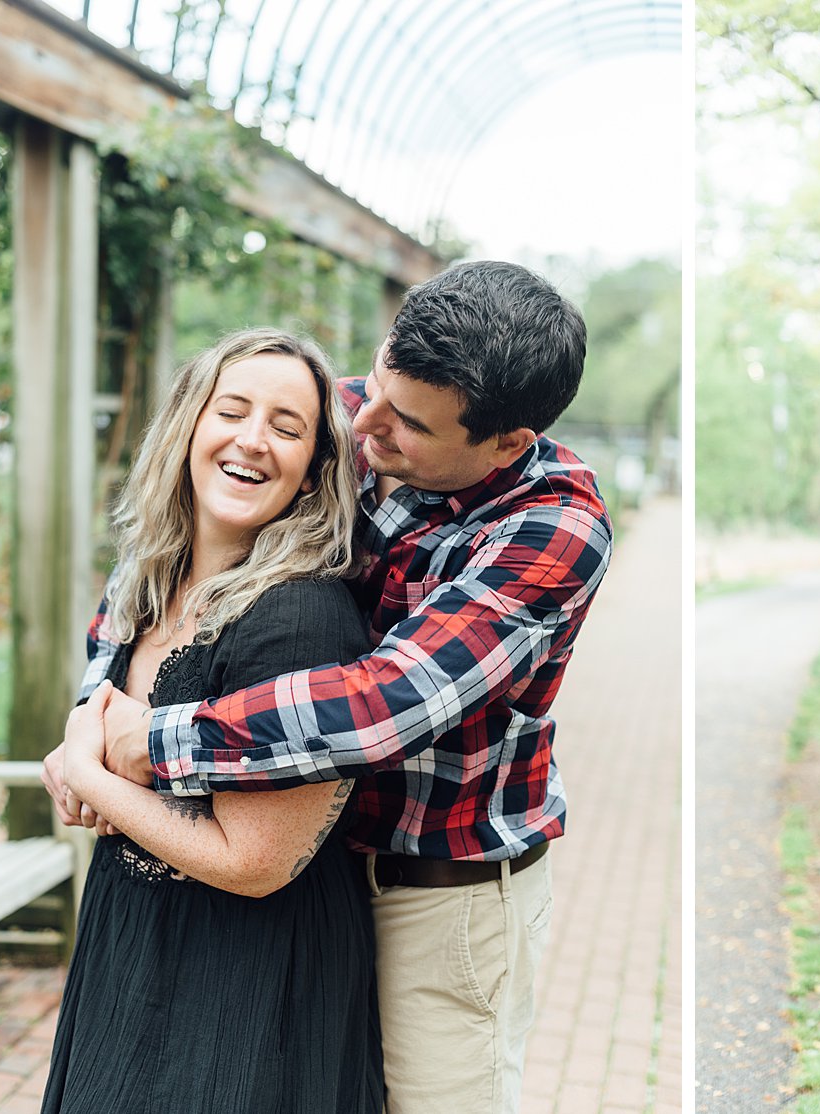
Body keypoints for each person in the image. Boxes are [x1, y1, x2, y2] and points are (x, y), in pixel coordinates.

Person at [43, 260, 612, 1114]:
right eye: (376, 382)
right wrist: (93, 702)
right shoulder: (350, 412)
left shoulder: (553, 529)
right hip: (309, 879)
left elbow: (383, 703)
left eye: (407, 423)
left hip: (437, 890)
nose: (364, 423)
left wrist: (143, 743)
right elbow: (168, 546)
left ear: (505, 442)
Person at [40, 328, 381, 1113]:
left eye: (287, 428)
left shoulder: (300, 618)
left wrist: (88, 770)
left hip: (249, 977)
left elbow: (253, 861)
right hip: (133, 933)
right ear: (190, 426)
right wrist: (76, 742)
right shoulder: (148, 581)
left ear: (310, 474)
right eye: (233, 410)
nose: (253, 440)